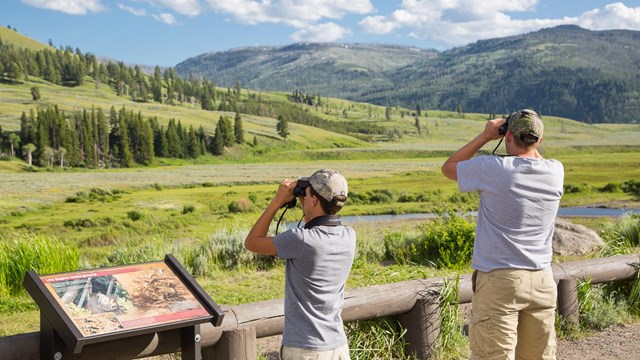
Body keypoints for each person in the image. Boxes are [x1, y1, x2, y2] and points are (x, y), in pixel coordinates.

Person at [441, 109, 564, 359]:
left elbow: (449, 167)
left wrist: (485, 136)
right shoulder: (555, 171)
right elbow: (533, 157)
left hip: (500, 280)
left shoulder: (494, 168)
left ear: (507, 136)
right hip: (542, 278)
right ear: (539, 140)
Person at [244, 169, 355, 360]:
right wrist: (309, 210)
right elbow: (321, 225)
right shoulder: (349, 235)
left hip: (306, 350)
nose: (303, 197)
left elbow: (252, 242)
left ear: (314, 200)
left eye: (307, 193)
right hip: (337, 346)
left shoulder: (301, 239)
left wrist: (278, 200)